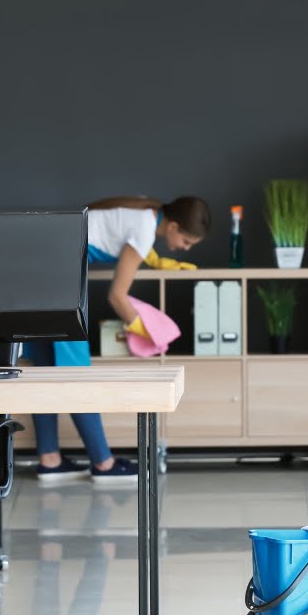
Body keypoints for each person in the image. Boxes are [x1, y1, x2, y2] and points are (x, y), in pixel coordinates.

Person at [31, 195, 210, 486]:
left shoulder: (145, 212)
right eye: (186, 241)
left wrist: (158, 261)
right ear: (174, 226)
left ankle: (49, 459)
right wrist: (149, 332)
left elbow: (126, 242)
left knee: (46, 368)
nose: (184, 249)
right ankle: (103, 462)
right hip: (59, 274)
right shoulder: (144, 227)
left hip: (41, 267)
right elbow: (117, 296)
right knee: (76, 373)